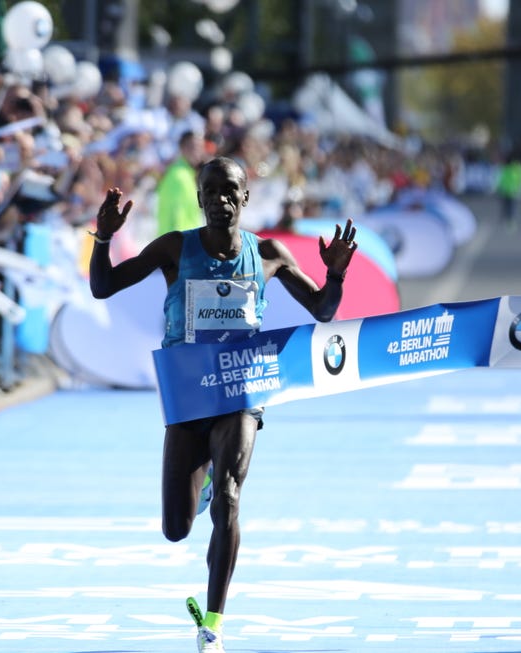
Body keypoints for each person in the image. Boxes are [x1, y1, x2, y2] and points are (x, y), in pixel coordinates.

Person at [89, 156, 357, 652]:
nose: (221, 200)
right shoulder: (174, 248)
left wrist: (335, 276)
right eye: (211, 192)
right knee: (175, 528)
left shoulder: (269, 253)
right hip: (189, 395)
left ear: (246, 197)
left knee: (231, 501)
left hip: (240, 392)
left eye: (231, 191)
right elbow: (104, 287)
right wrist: (103, 240)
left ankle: (213, 624)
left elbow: (321, 309)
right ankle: (208, 476)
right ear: (199, 199)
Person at [156, 130, 207, 236]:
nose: (197, 151)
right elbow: (177, 215)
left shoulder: (185, 174)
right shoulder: (179, 176)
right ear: (182, 148)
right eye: (192, 147)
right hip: (178, 244)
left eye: (200, 147)